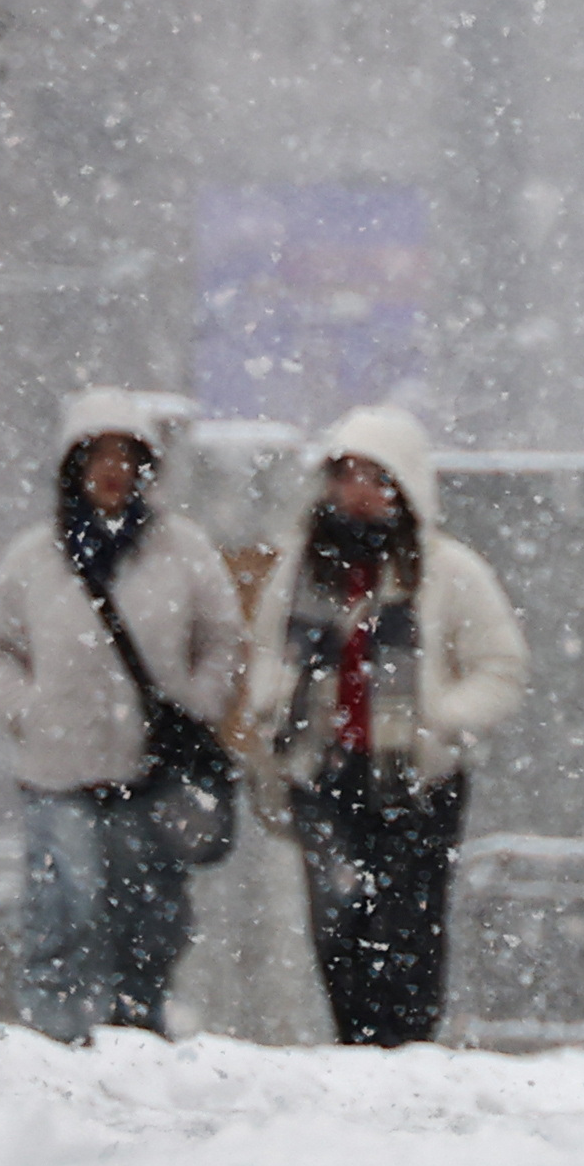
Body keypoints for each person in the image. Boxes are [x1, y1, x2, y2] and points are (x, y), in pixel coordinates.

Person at [0, 385, 245, 1040]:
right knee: (64, 912)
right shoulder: (34, 558)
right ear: (73, 468)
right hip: (57, 773)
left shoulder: (183, 550)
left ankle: (134, 1036)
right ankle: (54, 1041)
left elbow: (224, 635)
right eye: (98, 456)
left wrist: (197, 703)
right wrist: (28, 711)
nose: (113, 470)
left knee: (150, 920)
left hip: (149, 772)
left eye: (127, 456)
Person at [238, 406, 530, 1049]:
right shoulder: (302, 568)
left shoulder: (448, 571)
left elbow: (501, 667)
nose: (359, 492)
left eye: (376, 477)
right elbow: (263, 646)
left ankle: (407, 1054)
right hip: (324, 772)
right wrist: (273, 704)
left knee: (409, 930)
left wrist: (441, 720)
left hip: (417, 781)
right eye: (347, 475)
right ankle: (356, 1051)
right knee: (335, 929)